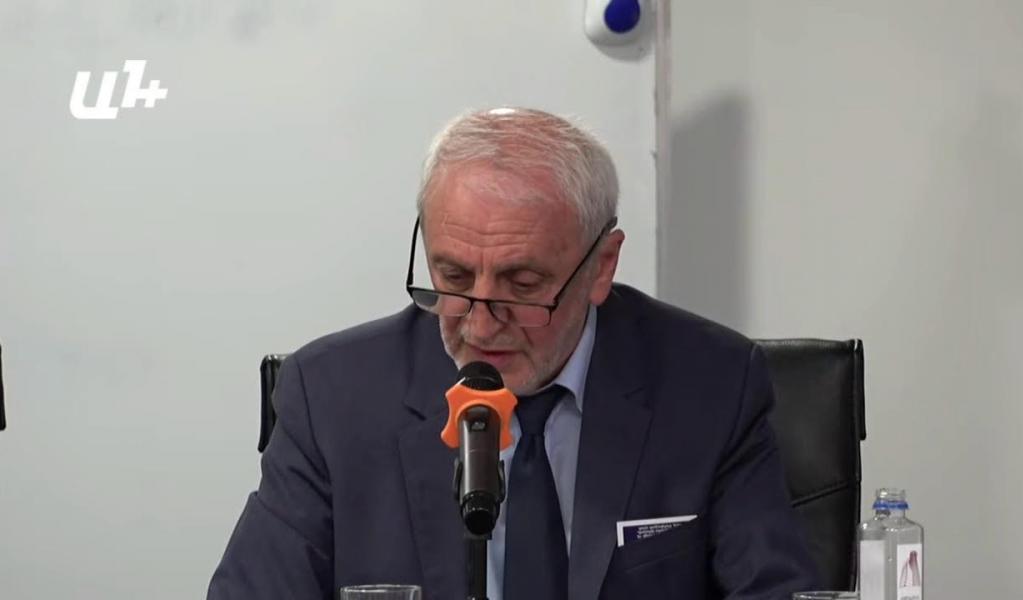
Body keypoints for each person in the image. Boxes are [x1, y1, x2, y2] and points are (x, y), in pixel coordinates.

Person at [208, 107, 819, 599]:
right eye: (452, 276)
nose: (479, 324)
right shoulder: (331, 396)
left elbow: (773, 590)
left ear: (601, 266)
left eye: (522, 285)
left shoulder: (712, 385)